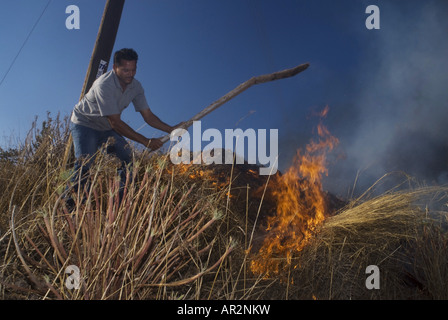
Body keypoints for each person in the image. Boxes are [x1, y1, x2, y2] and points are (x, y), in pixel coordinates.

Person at [67, 48, 181, 206]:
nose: (131, 74)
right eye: (126, 70)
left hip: (106, 127)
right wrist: (146, 141)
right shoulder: (104, 85)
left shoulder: (136, 87)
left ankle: (118, 208)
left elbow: (148, 116)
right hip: (85, 124)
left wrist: (171, 129)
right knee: (85, 166)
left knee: (128, 162)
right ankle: (72, 212)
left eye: (134, 69)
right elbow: (115, 122)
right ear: (115, 68)